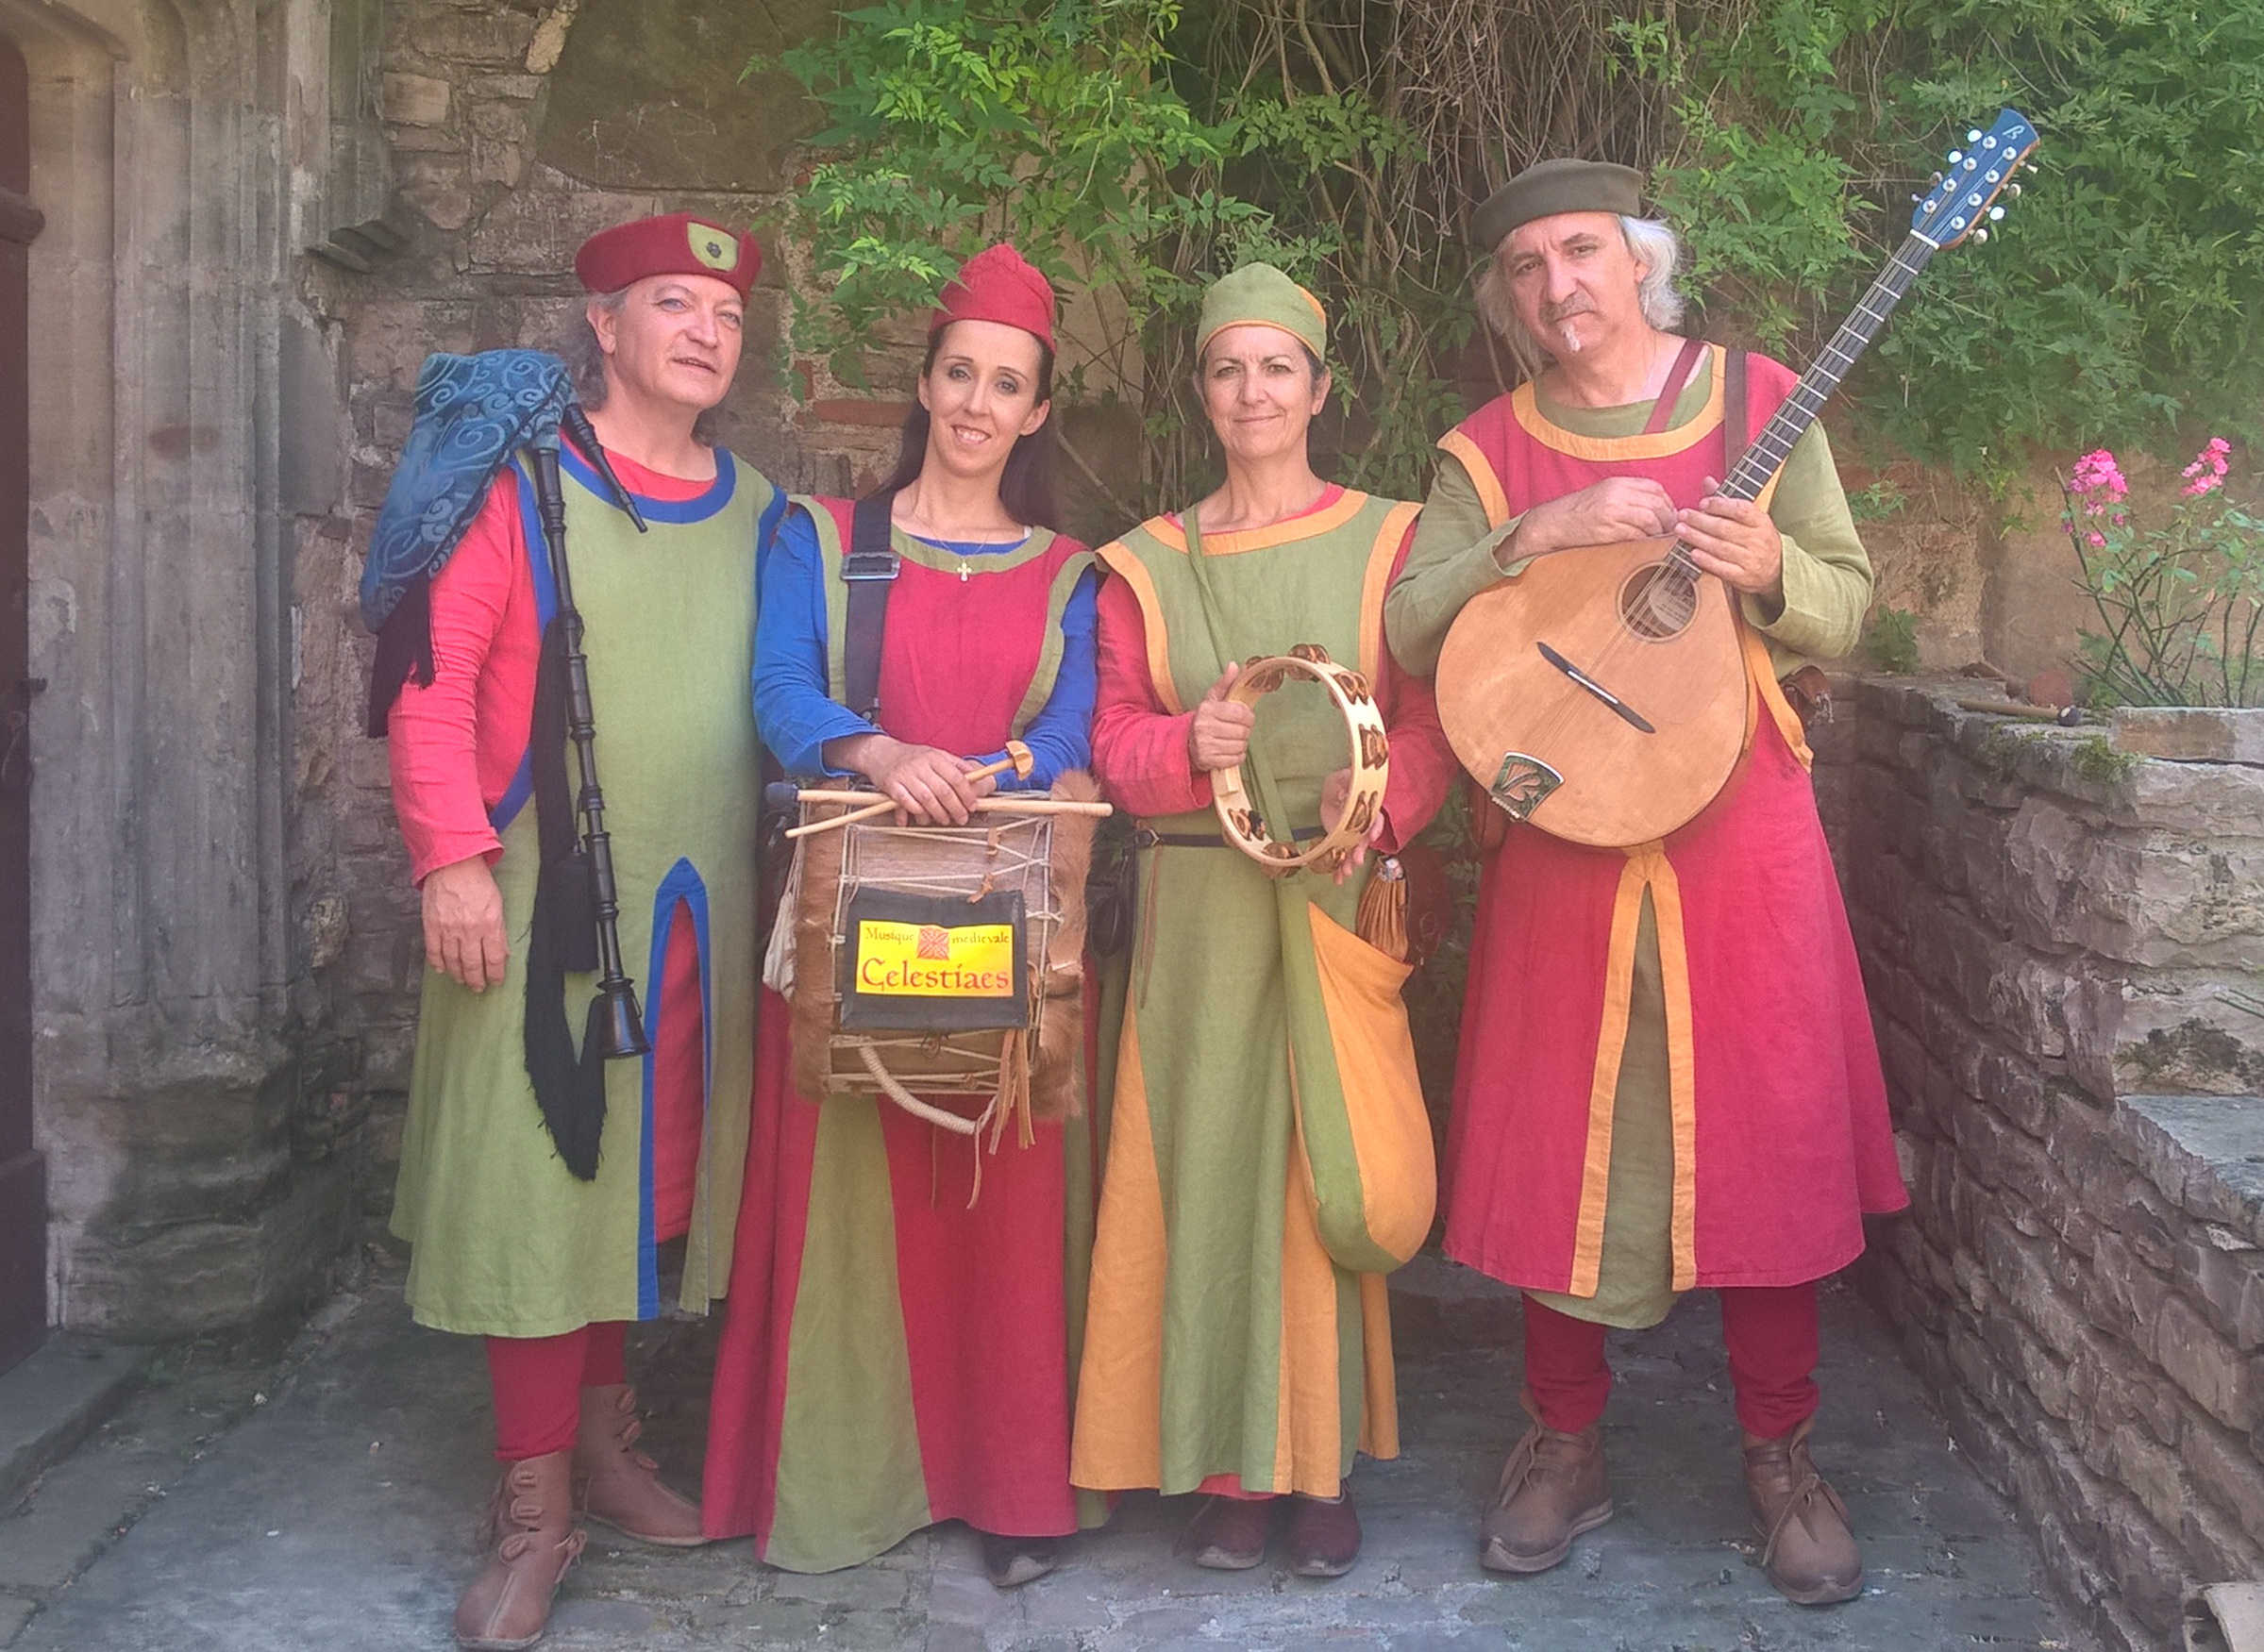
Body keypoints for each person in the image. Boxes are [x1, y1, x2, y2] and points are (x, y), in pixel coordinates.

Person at [1384, 159, 1908, 1605]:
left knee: (1769, 1112)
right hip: (1565, 830)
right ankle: (1563, 1444)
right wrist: (1530, 536)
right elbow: (1417, 625)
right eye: (1530, 268)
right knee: (1568, 1124)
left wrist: (1770, 570)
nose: (1560, 286)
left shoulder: (1756, 402)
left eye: (1583, 253)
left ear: (1639, 262)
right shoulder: (1486, 450)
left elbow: (1851, 597)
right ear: (1510, 299)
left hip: (1744, 824)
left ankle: (1781, 1455)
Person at [377, 211, 783, 1649]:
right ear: (602, 326)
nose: (704, 332)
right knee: (536, 1185)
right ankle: (534, 1504)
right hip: (540, 896)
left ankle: (606, 1448)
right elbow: (432, 677)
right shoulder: (521, 484)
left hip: (697, 916)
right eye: (672, 304)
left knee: (640, 1187)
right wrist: (451, 861)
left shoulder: (757, 510)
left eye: (726, 315)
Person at [703, 242, 1103, 1588]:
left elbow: (1072, 725)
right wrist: (878, 756)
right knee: (850, 1186)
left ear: (1038, 410)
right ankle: (843, 1479)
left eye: (1009, 385)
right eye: (960, 375)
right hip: (844, 909)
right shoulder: (818, 539)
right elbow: (776, 691)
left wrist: (1007, 771)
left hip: (1004, 910)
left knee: (1003, 1171)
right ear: (923, 386)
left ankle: (1011, 1491)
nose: (980, 404)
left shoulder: (1070, 571)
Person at [1070, 264, 1455, 1578]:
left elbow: (1433, 718)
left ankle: (1321, 1462)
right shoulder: (1143, 564)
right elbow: (1112, 740)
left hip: (1335, 906)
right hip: (1194, 915)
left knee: (1317, 1178)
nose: (1253, 392)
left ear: (1318, 388)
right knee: (1201, 1173)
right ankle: (1224, 1472)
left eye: (1277, 368)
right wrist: (1189, 740)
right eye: (1229, 369)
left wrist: (1371, 810)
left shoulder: (1395, 539)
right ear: (1202, 391)